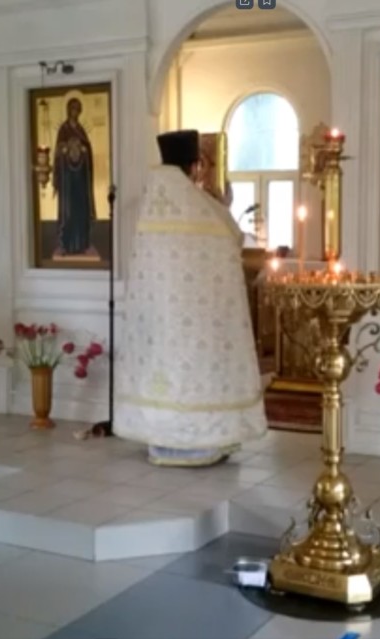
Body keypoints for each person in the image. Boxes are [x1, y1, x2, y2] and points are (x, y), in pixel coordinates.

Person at [114, 130, 268, 467]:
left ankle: (161, 441)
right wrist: (221, 203)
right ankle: (200, 442)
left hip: (157, 320)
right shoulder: (200, 204)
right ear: (195, 165)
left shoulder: (147, 201)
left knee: (164, 371)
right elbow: (233, 236)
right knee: (195, 375)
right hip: (195, 321)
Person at [53, 97, 98, 257]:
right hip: (68, 181)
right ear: (68, 110)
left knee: (80, 211)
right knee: (68, 211)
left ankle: (84, 243)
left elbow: (87, 149)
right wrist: (67, 148)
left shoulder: (81, 130)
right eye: (73, 109)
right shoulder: (63, 129)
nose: (75, 112)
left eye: (77, 109)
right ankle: (64, 245)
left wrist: (83, 150)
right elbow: (58, 152)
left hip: (80, 179)